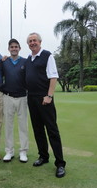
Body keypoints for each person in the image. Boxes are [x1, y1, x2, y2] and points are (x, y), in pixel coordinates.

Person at [25, 32, 66, 178]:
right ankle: (43, 156)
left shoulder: (47, 55)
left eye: (34, 40)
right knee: (38, 130)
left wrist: (49, 96)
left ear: (40, 42)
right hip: (32, 98)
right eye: (30, 41)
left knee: (52, 130)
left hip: (45, 98)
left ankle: (60, 163)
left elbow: (53, 76)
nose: (32, 43)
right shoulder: (29, 59)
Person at [2, 39, 29, 163]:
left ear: (20, 48)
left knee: (23, 126)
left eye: (16, 47)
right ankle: (9, 151)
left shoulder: (25, 61)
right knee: (8, 125)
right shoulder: (4, 61)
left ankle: (23, 152)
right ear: (9, 49)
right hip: (7, 97)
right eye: (12, 47)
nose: (14, 48)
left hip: (22, 97)